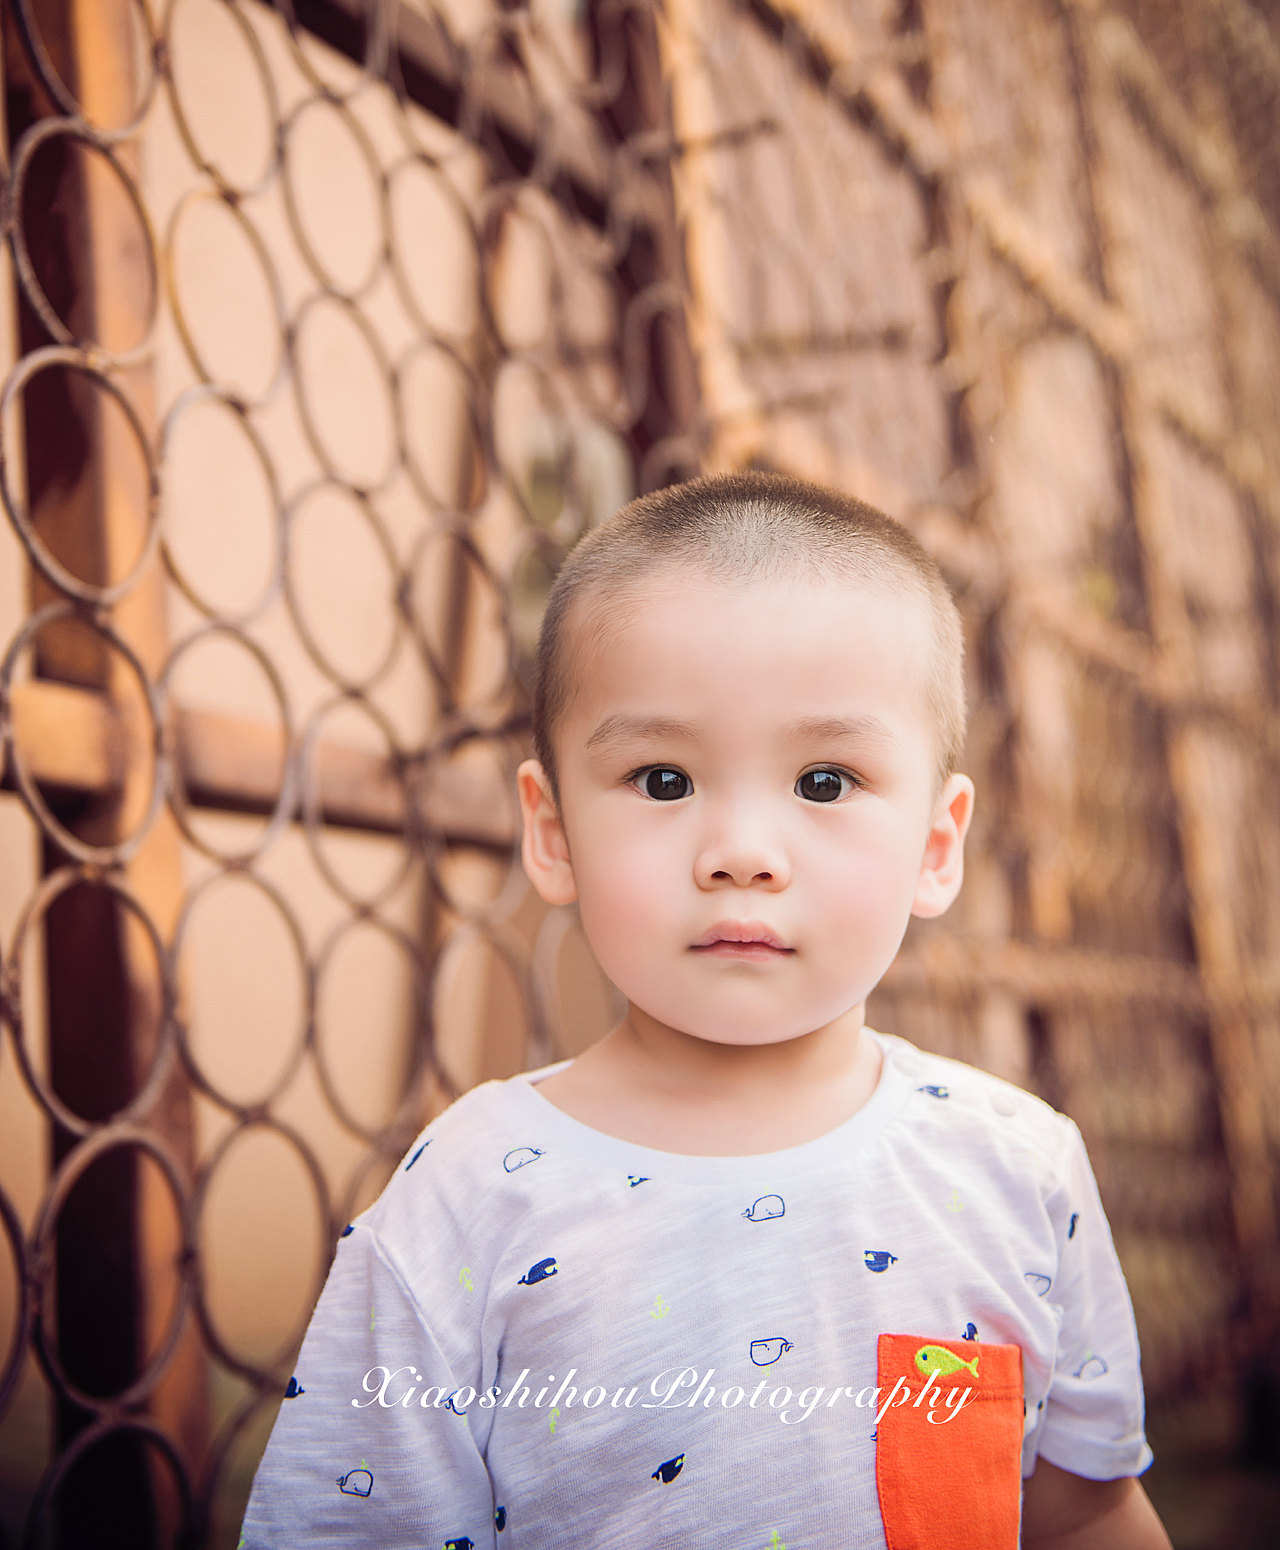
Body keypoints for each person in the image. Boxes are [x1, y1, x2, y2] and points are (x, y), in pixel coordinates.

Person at [242, 473, 1171, 1548]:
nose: (739, 852)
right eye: (663, 778)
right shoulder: (470, 1196)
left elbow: (1079, 1509)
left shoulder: (1016, 1166)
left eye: (824, 781)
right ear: (551, 832)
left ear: (933, 844)